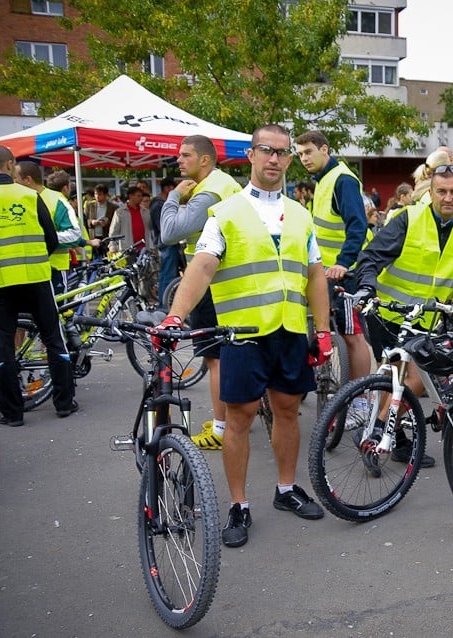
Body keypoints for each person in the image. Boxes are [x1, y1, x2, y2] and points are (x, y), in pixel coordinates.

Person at [161, 124, 329, 548]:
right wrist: (176, 316)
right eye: (265, 151)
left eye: (282, 153)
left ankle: (287, 489)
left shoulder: (301, 215)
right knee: (239, 418)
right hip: (241, 333)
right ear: (251, 156)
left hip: (289, 330)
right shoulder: (227, 212)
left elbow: (314, 276)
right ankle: (239, 504)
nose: (274, 159)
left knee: (289, 412)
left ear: (290, 159)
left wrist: (323, 331)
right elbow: (200, 267)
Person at [353, 164, 453, 468]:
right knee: (403, 380)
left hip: (426, 319)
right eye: (441, 191)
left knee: (406, 381)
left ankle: (380, 433)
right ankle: (383, 434)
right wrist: (366, 286)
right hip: (388, 314)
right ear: (430, 193)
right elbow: (373, 256)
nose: (448, 197)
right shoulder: (408, 219)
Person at [0, 145, 78, 427]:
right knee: (52, 338)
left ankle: (12, 413)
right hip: (36, 277)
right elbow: (51, 238)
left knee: (3, 345)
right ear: (10, 164)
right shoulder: (29, 195)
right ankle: (63, 403)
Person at [159, 134, 243, 450]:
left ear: (204, 159)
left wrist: (171, 198)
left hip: (210, 282)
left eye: (185, 155)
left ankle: (221, 430)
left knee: (215, 358)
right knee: (229, 353)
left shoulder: (208, 191)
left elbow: (170, 233)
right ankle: (230, 419)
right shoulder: (226, 183)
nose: (179, 161)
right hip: (228, 278)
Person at [295, 129, 373, 421]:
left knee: (353, 337)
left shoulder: (342, 180)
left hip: (346, 274)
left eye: (308, 152)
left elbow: (357, 226)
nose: (303, 158)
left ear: (324, 150)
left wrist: (343, 262)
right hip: (324, 274)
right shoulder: (324, 180)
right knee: (325, 329)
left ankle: (360, 402)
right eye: (300, 154)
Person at [14, 163, 96, 292]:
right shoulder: (16, 200)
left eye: (16, 179)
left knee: (56, 311)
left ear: (28, 180)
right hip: (25, 271)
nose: (13, 183)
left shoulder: (57, 200)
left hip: (54, 270)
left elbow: (74, 234)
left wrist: (44, 238)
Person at [148, 177, 181, 310]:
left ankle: (166, 304)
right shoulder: (158, 205)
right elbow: (164, 227)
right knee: (167, 274)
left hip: (168, 243)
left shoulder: (159, 203)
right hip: (166, 244)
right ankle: (163, 306)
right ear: (168, 188)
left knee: (169, 274)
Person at [108, 186, 155, 253]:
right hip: (127, 249)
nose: (141, 198)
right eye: (138, 196)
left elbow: (151, 230)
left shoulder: (146, 212)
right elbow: (113, 232)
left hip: (145, 249)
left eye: (141, 196)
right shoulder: (120, 212)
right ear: (131, 196)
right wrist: (112, 246)